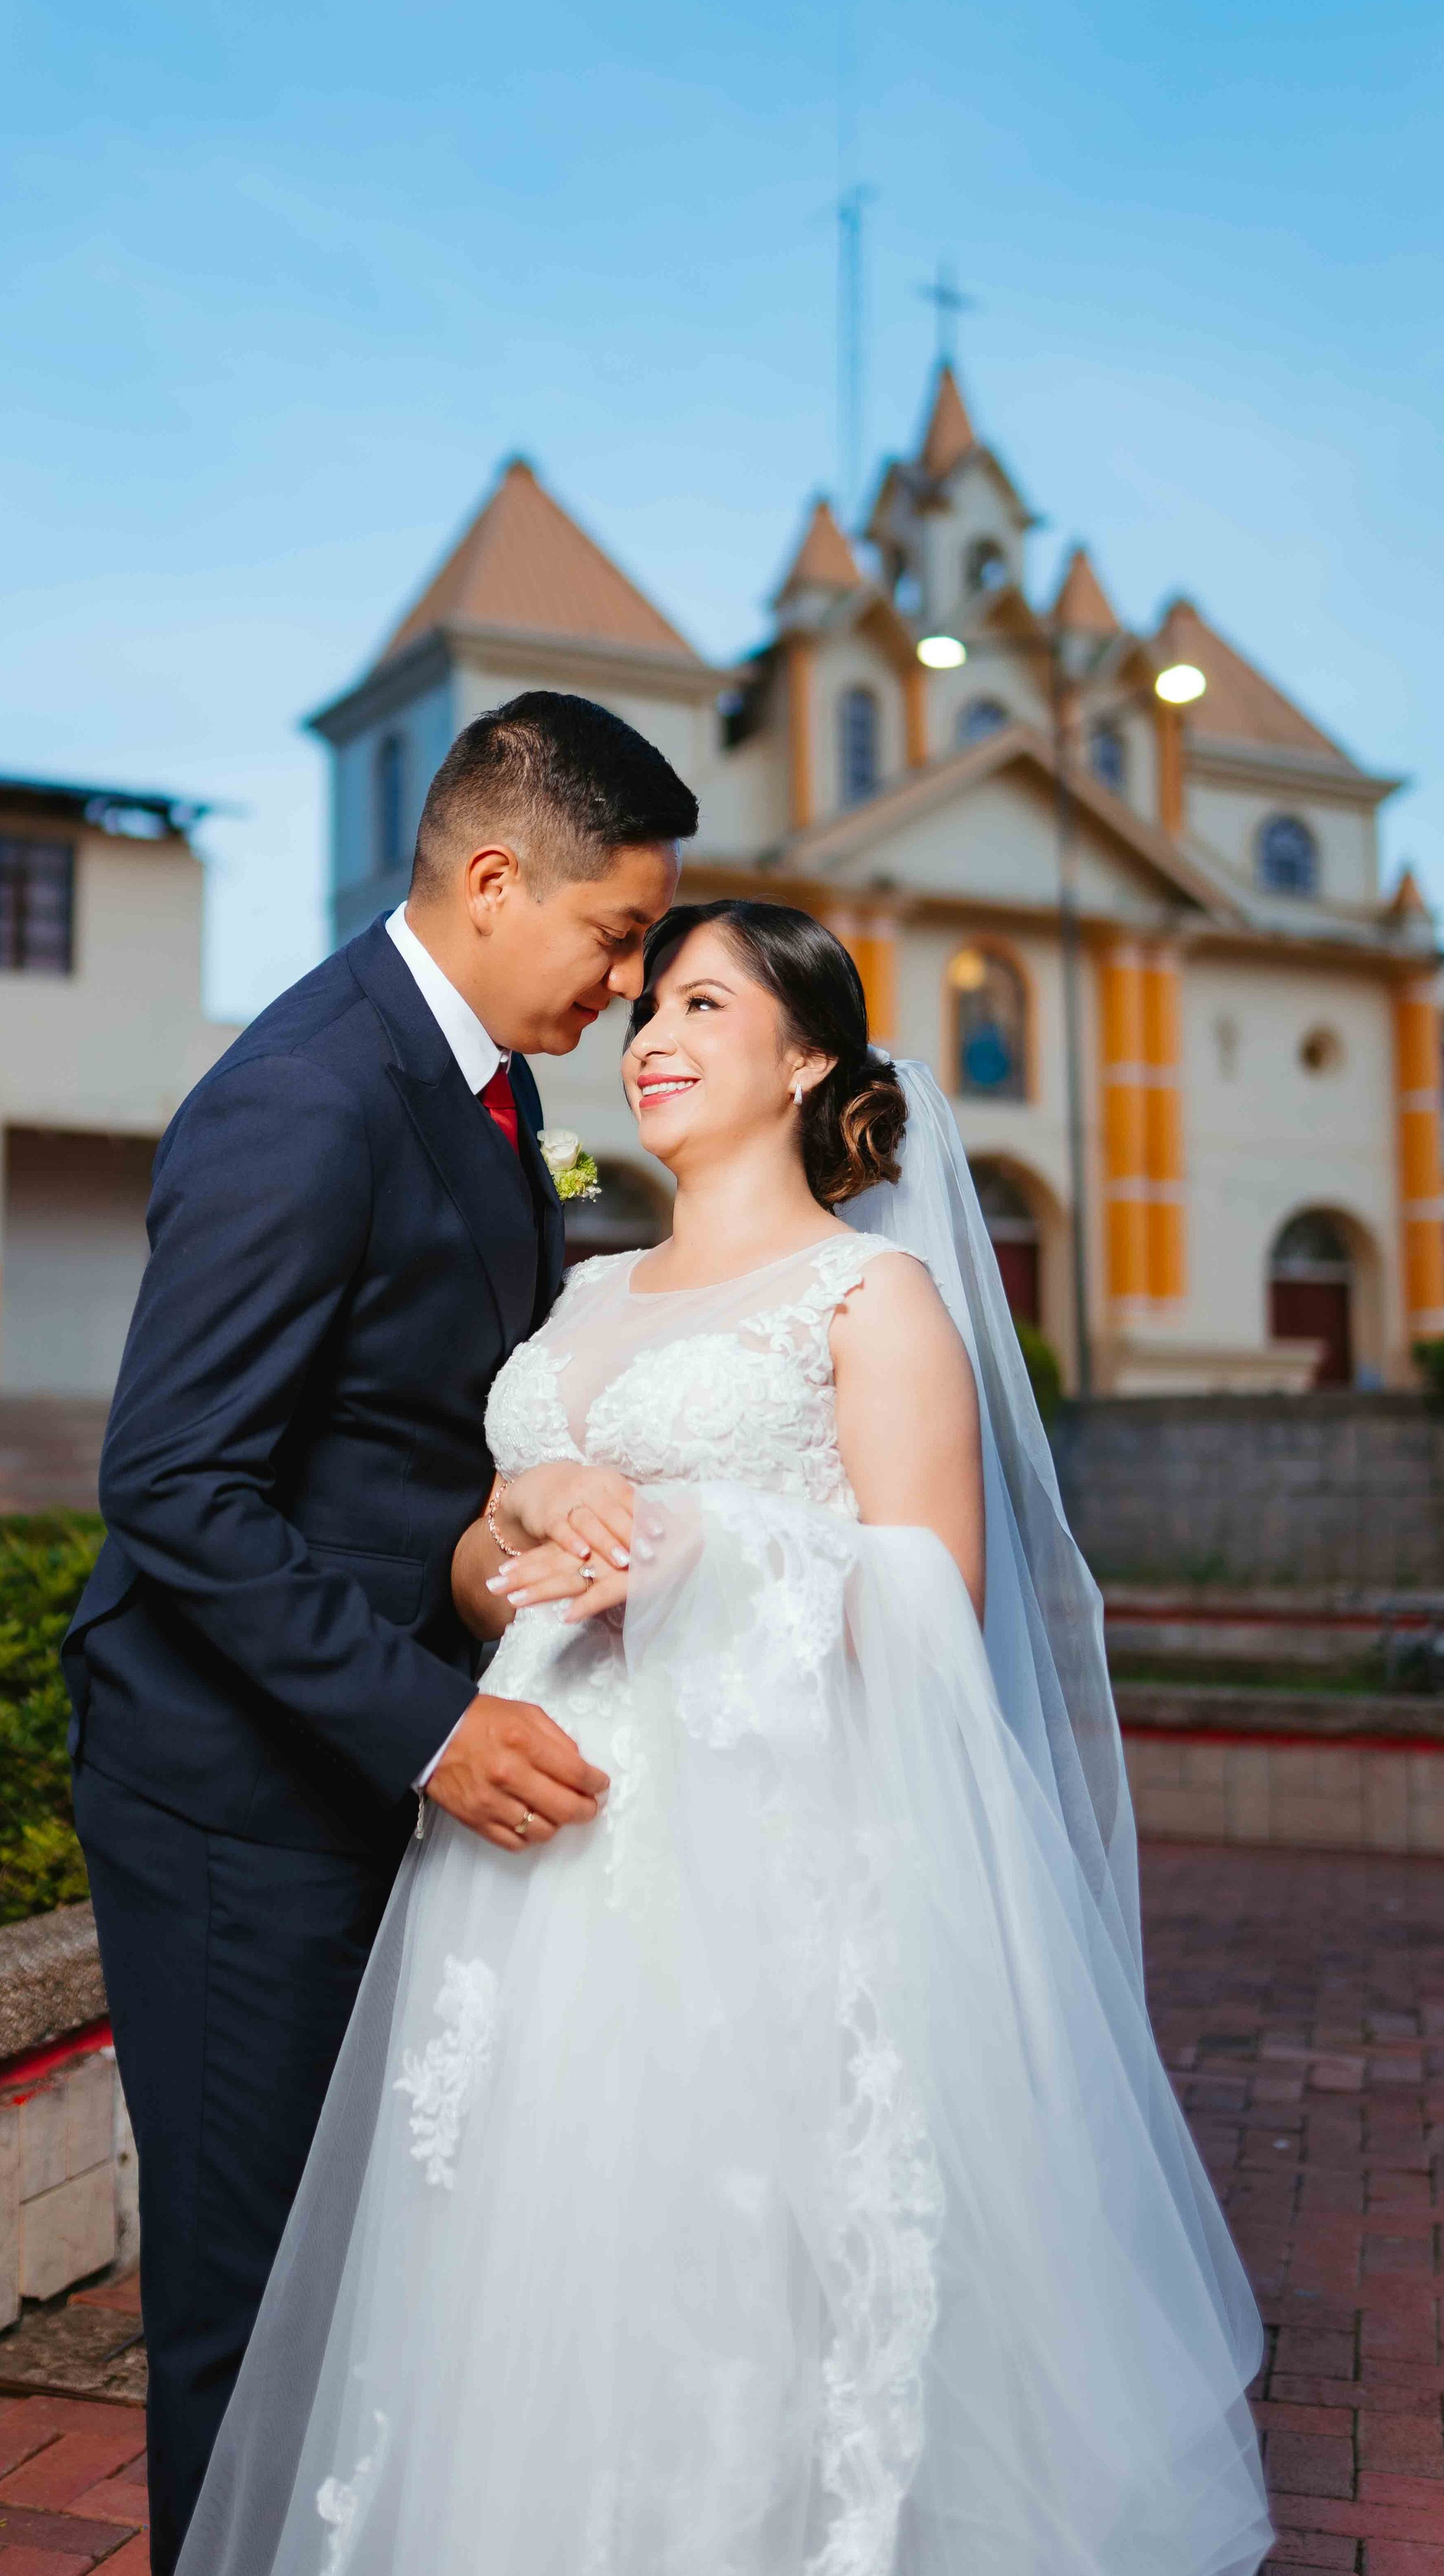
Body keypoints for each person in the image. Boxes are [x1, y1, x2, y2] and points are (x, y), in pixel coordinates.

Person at [177, 900, 1275, 2576]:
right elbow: (485, 1571)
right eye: (644, 1010)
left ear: (810, 1056)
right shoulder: (577, 1290)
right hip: (522, 1852)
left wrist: (717, 1549)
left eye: (702, 1002)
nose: (652, 1038)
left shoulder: (867, 1295)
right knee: (517, 2264)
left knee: (721, 2260)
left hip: (746, 1854)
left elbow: (924, 1593)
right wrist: (516, 1523)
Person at [63, 692, 696, 2576]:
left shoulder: (496, 1104)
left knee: (365, 2279)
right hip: (230, 1787)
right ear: (495, 879)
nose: (628, 981)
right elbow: (174, 1480)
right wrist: (431, 1728)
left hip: (353, 1754)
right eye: (613, 934)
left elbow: (413, 1439)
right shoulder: (309, 1091)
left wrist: (523, 1529)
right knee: (248, 2304)